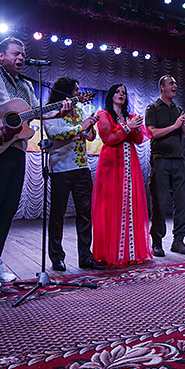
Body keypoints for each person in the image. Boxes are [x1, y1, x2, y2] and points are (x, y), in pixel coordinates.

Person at [0, 38, 70, 290]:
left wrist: (56, 113)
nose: (21, 58)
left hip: (16, 149)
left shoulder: (26, 85)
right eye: (16, 53)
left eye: (23, 54)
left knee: (8, 208)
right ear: (1, 55)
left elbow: (30, 115)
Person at [43, 77, 104, 271]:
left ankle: (86, 257)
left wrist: (90, 124)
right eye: (76, 90)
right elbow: (55, 134)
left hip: (82, 168)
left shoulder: (79, 110)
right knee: (58, 214)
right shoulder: (50, 111)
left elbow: (90, 137)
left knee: (85, 214)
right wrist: (81, 127)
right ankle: (56, 257)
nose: (78, 93)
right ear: (65, 91)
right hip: (60, 168)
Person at [91, 84, 153, 267]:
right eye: (117, 92)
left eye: (124, 93)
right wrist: (128, 127)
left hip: (129, 163)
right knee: (111, 205)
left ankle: (130, 252)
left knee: (130, 205)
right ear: (111, 95)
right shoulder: (104, 115)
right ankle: (111, 252)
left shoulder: (130, 116)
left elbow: (139, 140)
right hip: (111, 163)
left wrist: (136, 127)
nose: (121, 95)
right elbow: (109, 139)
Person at [145, 75, 185, 257]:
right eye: (171, 83)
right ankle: (157, 241)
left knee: (182, 202)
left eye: (176, 83)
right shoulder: (153, 108)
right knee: (159, 202)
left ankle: (178, 240)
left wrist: (183, 124)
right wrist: (174, 126)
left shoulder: (178, 109)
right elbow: (152, 133)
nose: (175, 86)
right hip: (160, 160)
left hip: (178, 160)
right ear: (162, 87)